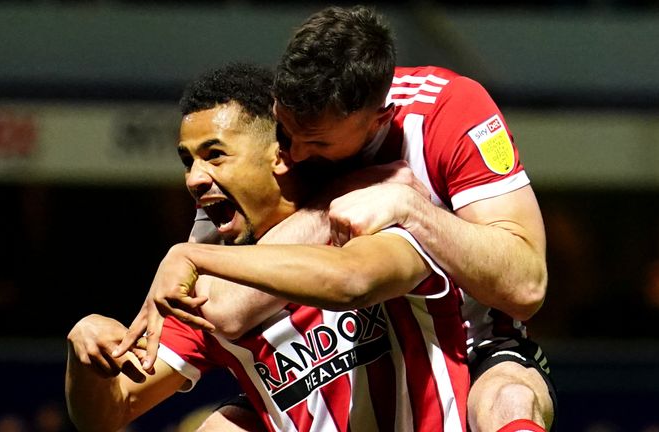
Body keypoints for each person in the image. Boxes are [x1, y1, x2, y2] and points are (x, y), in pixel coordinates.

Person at [115, 5, 555, 432]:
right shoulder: (265, 147)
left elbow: (526, 285)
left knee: (509, 400)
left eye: (318, 144)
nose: (295, 156)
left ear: (377, 120)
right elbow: (224, 305)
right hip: (321, 360)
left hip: (464, 343)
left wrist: (411, 207)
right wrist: (344, 195)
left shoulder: (449, 112)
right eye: (287, 132)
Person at [66, 63, 469, 432]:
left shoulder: (370, 217)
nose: (194, 178)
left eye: (215, 156)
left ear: (280, 153)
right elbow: (108, 414)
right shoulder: (208, 289)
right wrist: (84, 351)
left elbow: (353, 282)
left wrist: (189, 255)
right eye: (188, 161)